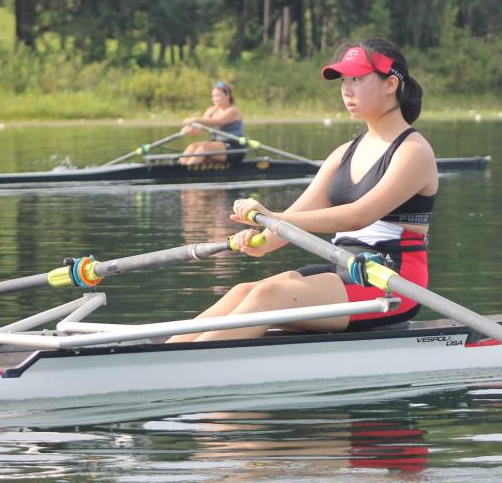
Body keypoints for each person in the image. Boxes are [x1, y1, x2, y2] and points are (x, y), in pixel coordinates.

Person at [169, 38, 437, 343]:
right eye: (344, 81)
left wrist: (276, 216)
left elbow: (358, 216)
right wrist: (259, 238)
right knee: (242, 291)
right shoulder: (342, 155)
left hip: (394, 281)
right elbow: (293, 219)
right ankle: (161, 360)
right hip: (345, 269)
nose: (347, 90)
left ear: (390, 84)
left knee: (271, 294)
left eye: (358, 79)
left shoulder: (413, 151)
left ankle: (178, 375)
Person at [177, 81, 245, 166]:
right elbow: (201, 130)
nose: (215, 98)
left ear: (227, 96)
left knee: (204, 148)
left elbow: (217, 122)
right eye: (213, 96)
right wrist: (191, 130)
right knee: (193, 146)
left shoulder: (233, 111)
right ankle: (180, 167)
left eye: (218, 95)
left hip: (233, 147)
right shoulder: (211, 110)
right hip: (216, 145)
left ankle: (187, 170)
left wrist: (194, 119)